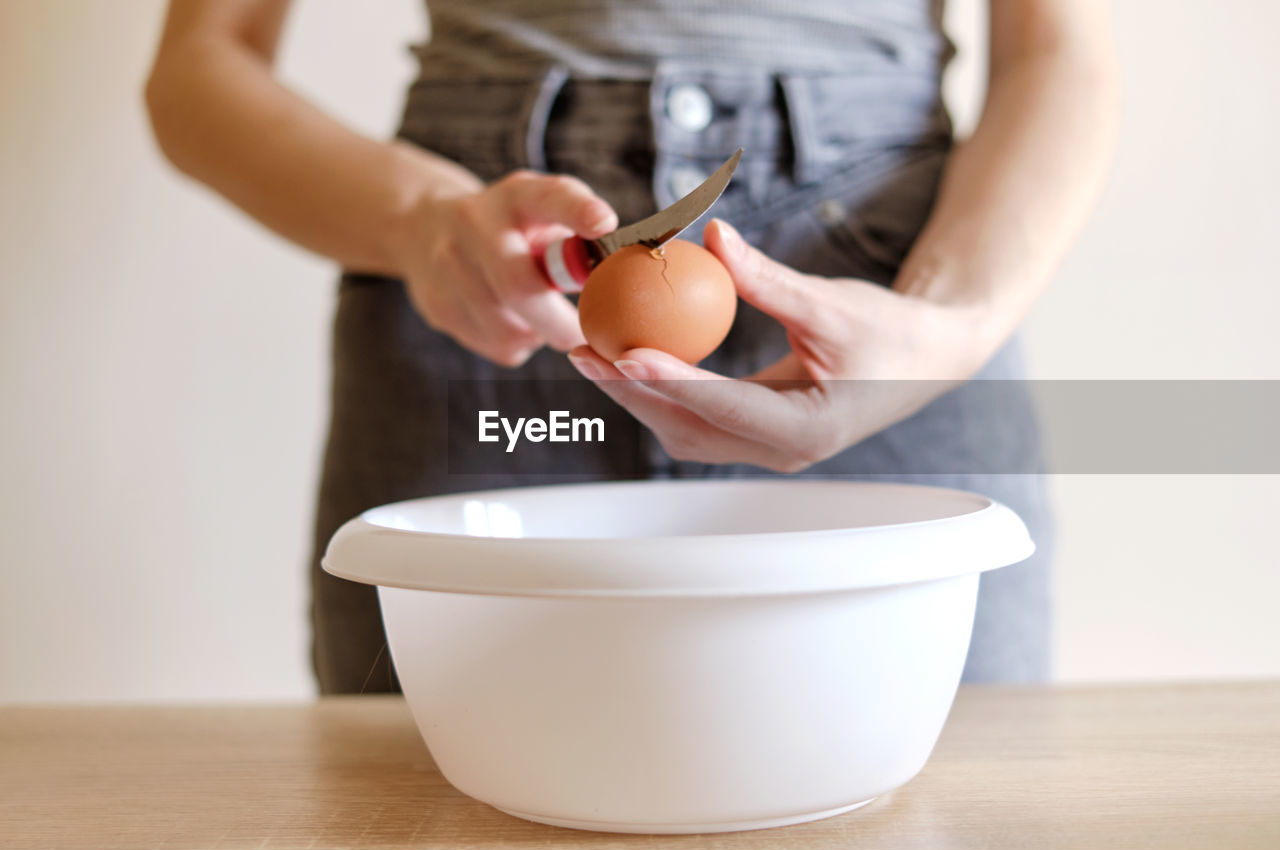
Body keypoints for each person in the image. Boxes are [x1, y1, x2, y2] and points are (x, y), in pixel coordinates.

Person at [145, 0, 1118, 692]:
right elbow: (200, 64)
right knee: (424, 807)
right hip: (489, 284)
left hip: (883, 297)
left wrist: (944, 326)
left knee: (943, 799)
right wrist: (418, 220)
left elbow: (1056, 46)